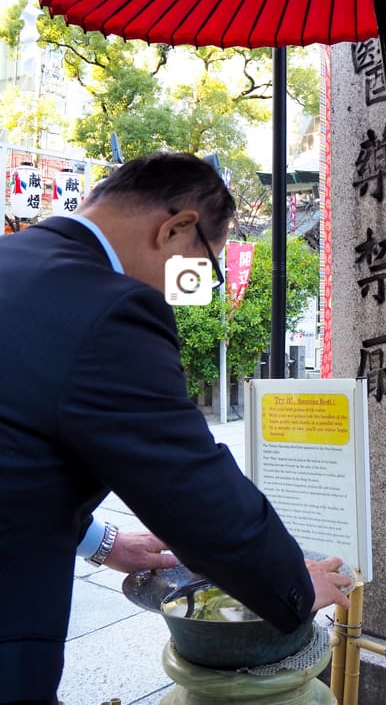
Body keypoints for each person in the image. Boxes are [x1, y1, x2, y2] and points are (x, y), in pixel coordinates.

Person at [0, 152, 351, 704]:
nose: (181, 290)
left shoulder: (13, 259)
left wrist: (100, 540)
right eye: (202, 264)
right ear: (176, 228)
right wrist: (297, 586)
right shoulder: (110, 308)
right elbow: (193, 489)